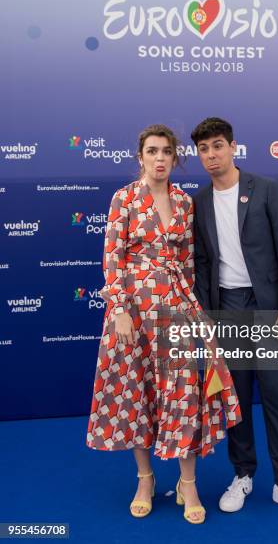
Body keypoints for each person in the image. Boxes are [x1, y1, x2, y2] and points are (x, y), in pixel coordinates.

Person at [86, 124, 241, 525]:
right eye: (152, 151)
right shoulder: (123, 199)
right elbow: (112, 257)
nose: (159, 158)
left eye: (166, 152)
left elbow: (188, 260)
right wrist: (119, 307)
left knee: (186, 392)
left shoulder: (184, 201)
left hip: (176, 308)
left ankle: (188, 483)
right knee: (137, 395)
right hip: (133, 314)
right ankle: (145, 479)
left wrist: (192, 308)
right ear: (140, 157)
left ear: (175, 158)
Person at [191, 117, 278, 518]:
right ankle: (243, 474)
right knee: (235, 396)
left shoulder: (265, 189)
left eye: (218, 145)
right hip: (227, 309)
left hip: (268, 307)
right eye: (204, 149)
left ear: (233, 147)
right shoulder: (198, 202)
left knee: (276, 393)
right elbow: (201, 263)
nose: (211, 155)